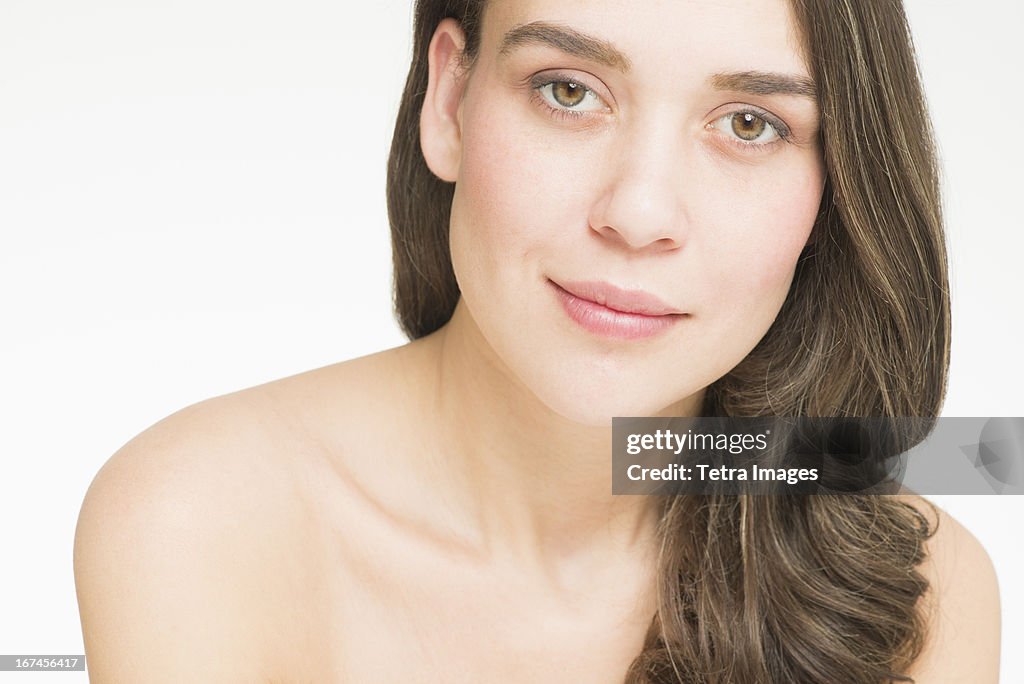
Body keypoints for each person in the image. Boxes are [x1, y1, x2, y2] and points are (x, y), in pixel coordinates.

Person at [73, 0, 1001, 681]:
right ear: (450, 99)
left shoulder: (919, 581)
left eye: (750, 124)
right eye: (568, 91)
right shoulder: (201, 519)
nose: (638, 213)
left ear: (835, 189)